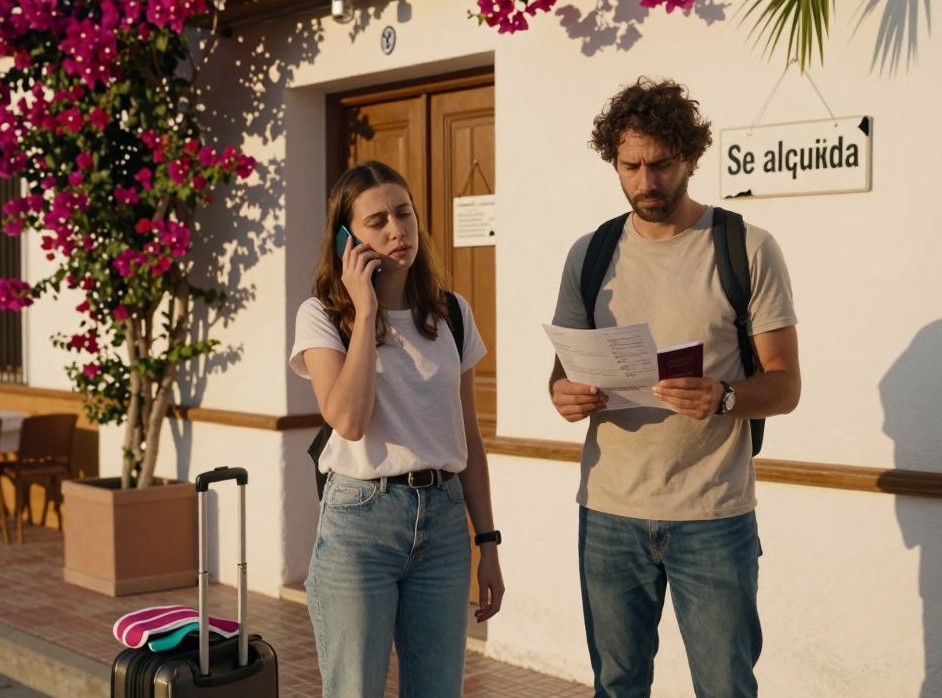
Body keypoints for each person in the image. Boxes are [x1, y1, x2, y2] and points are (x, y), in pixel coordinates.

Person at [549, 78, 801, 697]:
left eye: (660, 164)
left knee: (725, 687)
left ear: (690, 157)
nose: (645, 182)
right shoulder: (590, 253)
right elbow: (562, 375)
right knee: (617, 687)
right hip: (609, 513)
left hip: (713, 514)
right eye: (630, 166)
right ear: (614, 160)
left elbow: (786, 384)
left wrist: (726, 396)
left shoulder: (745, 247)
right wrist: (564, 396)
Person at [290, 160, 504, 697]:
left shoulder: (451, 312)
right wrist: (365, 314)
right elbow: (349, 421)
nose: (396, 230)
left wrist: (490, 544)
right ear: (346, 239)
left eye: (404, 214)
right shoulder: (322, 315)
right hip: (361, 521)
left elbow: (469, 439)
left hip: (445, 524)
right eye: (377, 221)